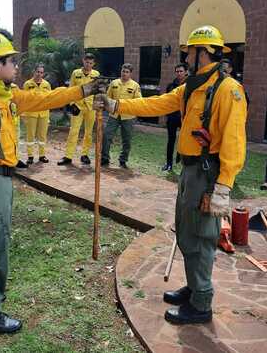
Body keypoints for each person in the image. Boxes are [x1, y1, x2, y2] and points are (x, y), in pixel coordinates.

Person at [0, 32, 105, 334]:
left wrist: (85, 90)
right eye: (11, 60)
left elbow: (46, 98)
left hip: (0, 181)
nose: (16, 65)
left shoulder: (5, 95)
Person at [95, 25, 247, 325]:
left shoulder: (229, 90)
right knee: (187, 229)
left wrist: (224, 187)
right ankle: (194, 287)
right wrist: (116, 106)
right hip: (190, 170)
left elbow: (234, 140)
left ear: (204, 52)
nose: (187, 55)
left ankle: (201, 303)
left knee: (202, 235)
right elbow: (156, 103)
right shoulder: (192, 86)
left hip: (208, 174)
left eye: (191, 51)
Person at [58, 53, 100, 165]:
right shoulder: (76, 73)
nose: (88, 65)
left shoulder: (96, 74)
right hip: (78, 106)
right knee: (73, 131)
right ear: (83, 61)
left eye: (91, 63)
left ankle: (84, 155)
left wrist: (98, 105)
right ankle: (68, 156)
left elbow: (98, 91)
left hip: (91, 108)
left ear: (93, 63)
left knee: (88, 133)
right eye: (87, 62)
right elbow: (70, 89)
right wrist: (72, 104)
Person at [101, 63, 141, 168]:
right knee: (106, 136)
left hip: (128, 117)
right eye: (123, 71)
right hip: (113, 115)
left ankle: (123, 160)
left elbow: (138, 101)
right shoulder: (114, 83)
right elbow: (107, 97)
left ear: (130, 74)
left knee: (126, 139)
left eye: (127, 72)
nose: (124, 73)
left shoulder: (135, 85)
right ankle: (105, 159)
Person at [22, 64, 52, 164]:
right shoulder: (27, 84)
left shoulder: (46, 84)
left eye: (41, 72)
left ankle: (42, 155)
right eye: (37, 72)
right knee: (30, 136)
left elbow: (49, 99)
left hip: (44, 113)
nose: (39, 74)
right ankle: (30, 156)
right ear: (34, 72)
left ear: (43, 74)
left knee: (42, 136)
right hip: (31, 113)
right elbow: (24, 99)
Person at [163, 63, 188, 171]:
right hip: (172, 117)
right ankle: (169, 164)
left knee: (184, 140)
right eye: (177, 71)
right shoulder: (171, 86)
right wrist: (167, 115)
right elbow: (167, 102)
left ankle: (182, 161)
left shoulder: (190, 85)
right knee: (171, 140)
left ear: (186, 72)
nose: (179, 73)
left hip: (184, 118)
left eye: (181, 71)